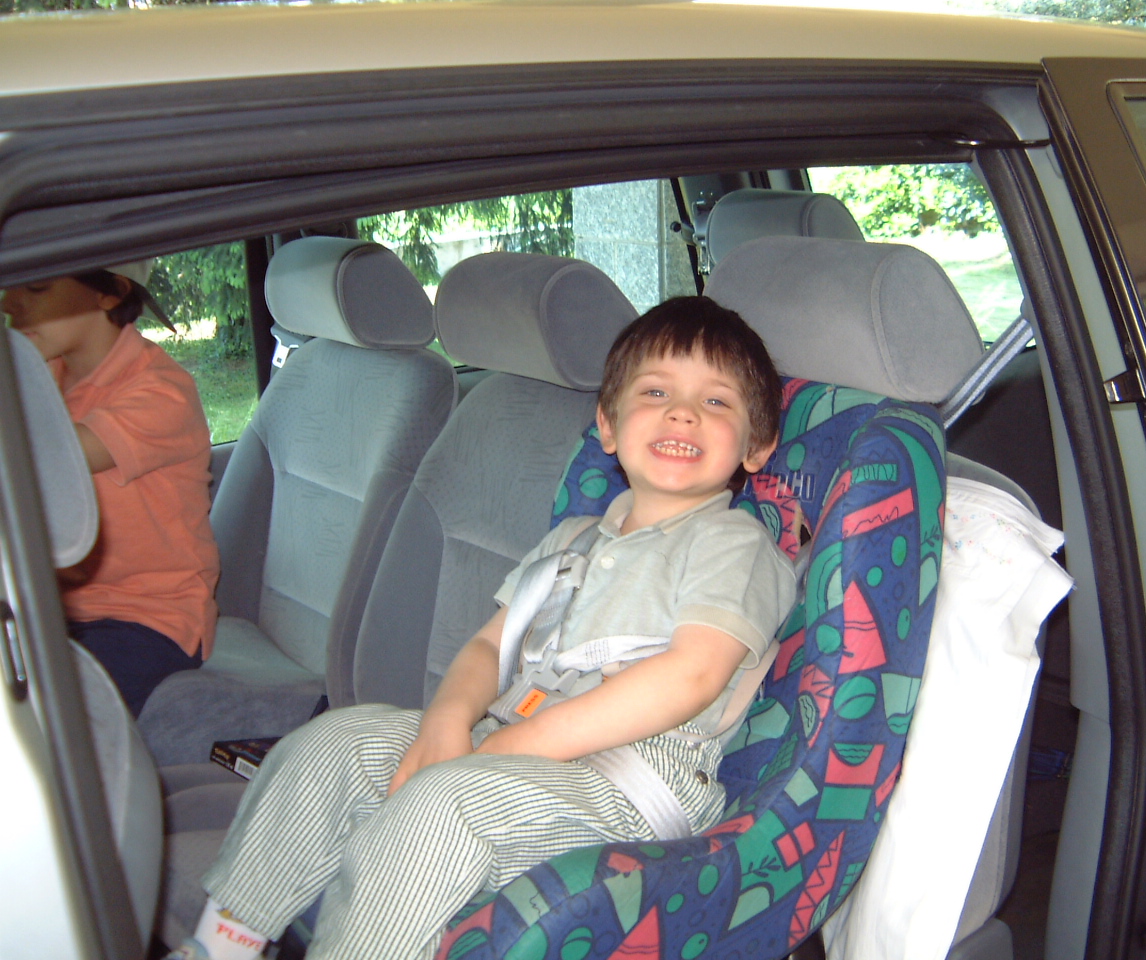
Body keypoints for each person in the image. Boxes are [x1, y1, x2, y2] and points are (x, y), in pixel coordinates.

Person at [167, 296, 797, 960]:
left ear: (756, 445)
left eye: (716, 401)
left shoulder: (733, 543)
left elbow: (692, 674)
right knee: (332, 745)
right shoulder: (574, 537)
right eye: (656, 392)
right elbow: (492, 644)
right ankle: (225, 943)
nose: (683, 412)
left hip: (629, 783)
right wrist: (446, 721)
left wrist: (517, 744)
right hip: (511, 741)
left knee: (443, 807)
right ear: (608, 425)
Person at [2, 263, 219, 717]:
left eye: (37, 287)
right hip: (54, 609)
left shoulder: (161, 392)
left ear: (110, 294)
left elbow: (51, 454)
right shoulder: (46, 374)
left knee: (42, 720)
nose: (10, 303)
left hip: (145, 620)